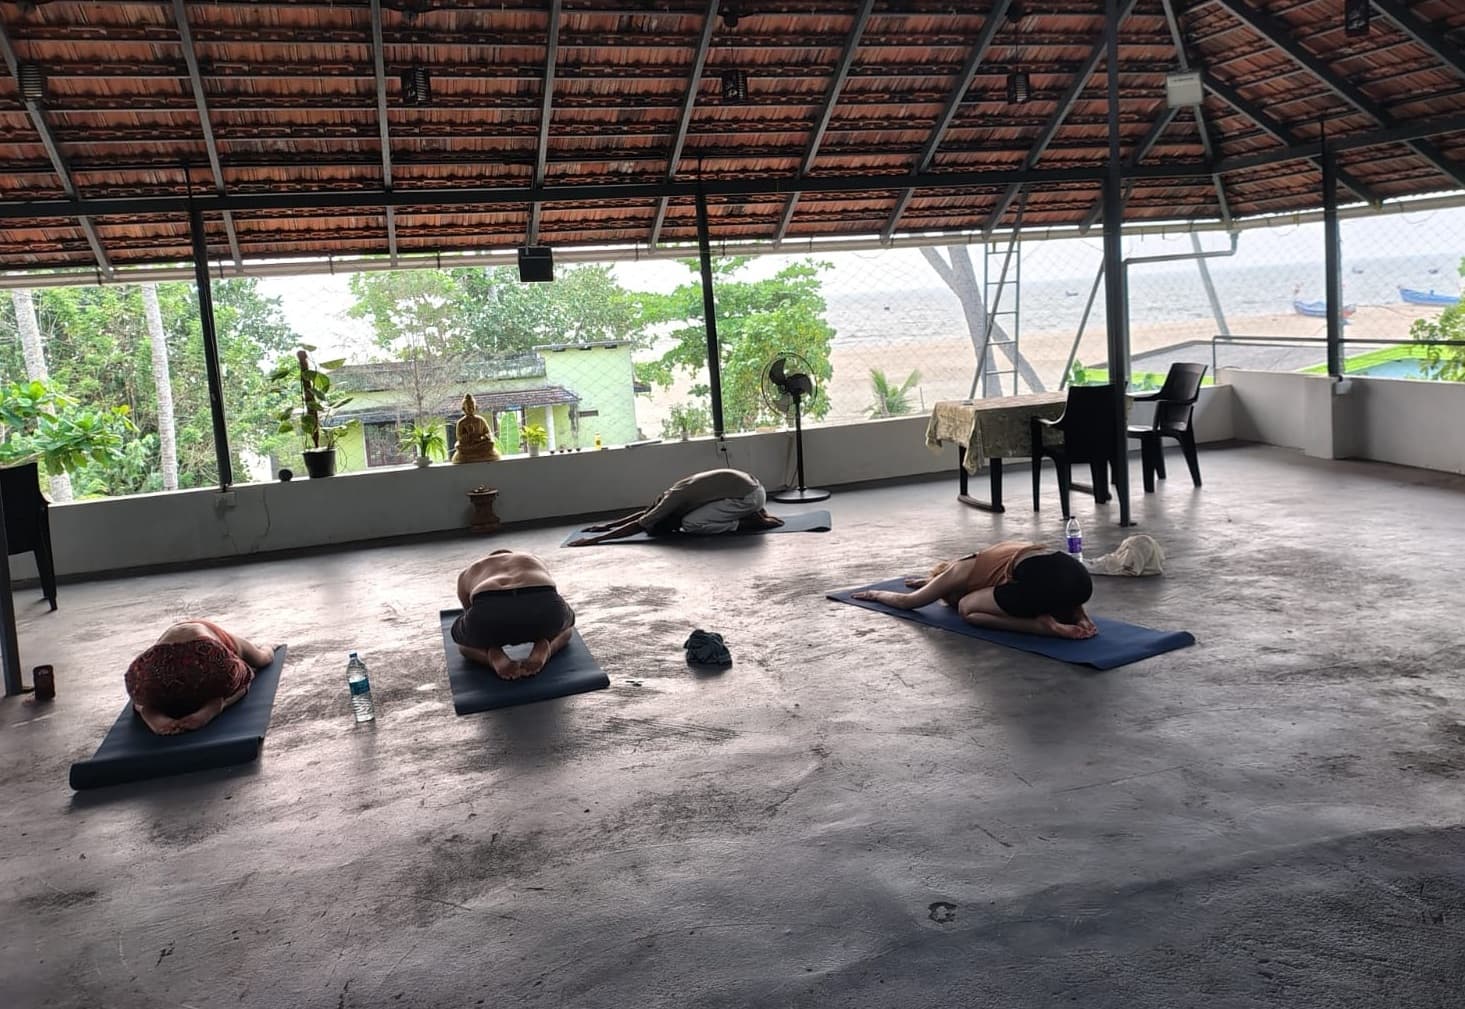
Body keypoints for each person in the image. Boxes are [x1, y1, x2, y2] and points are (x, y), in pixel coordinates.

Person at [853, 540, 1098, 640]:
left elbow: (908, 602)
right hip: (1080, 579)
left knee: (967, 610)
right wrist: (1079, 612)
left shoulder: (958, 570)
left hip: (1043, 581)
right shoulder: (993, 556)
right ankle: (1077, 615)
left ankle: (1043, 627)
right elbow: (1053, 571)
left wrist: (876, 594)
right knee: (1045, 587)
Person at [125, 621, 275, 735]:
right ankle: (218, 704)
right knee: (247, 675)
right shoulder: (225, 637)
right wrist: (269, 647)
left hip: (158, 662)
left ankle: (147, 709)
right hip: (204, 656)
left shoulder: (171, 633)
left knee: (144, 688)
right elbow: (263, 659)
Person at [567, 468, 783, 546]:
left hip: (747, 497)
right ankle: (755, 510)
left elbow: (641, 523)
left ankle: (749, 521)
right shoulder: (673, 493)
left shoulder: (672, 500)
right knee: (702, 510)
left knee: (692, 523)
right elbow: (647, 514)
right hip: (753, 489)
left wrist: (595, 540)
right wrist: (607, 525)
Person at [453, 549, 576, 680]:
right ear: (511, 555)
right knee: (567, 629)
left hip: (488, 603)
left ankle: (490, 655)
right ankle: (547, 647)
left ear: (488, 558)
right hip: (541, 599)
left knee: (465, 644)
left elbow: (468, 611)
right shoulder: (531, 558)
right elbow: (552, 591)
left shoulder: (471, 569)